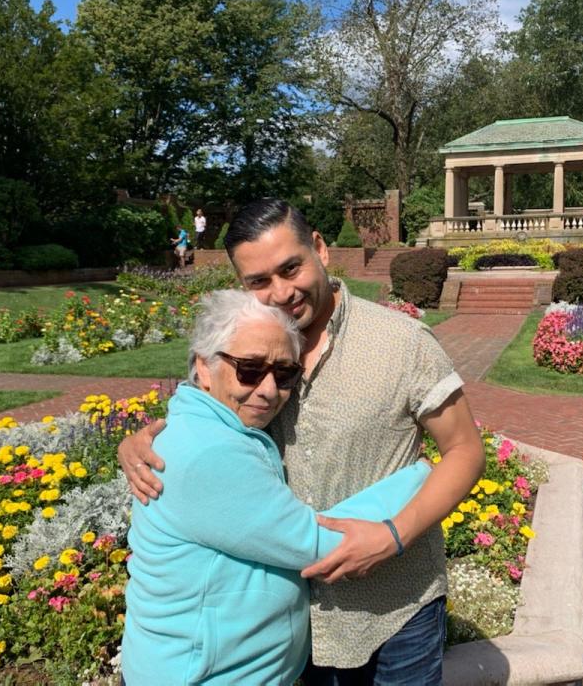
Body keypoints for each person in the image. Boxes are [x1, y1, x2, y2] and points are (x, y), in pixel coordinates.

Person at [120, 199, 484, 684]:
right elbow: (203, 412)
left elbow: (465, 450)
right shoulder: (255, 352)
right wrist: (137, 443)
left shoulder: (403, 342)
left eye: (290, 268)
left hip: (396, 608)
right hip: (298, 624)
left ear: (319, 248)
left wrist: (395, 534)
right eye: (259, 281)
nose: (281, 292)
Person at [121, 290, 431, 684]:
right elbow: (321, 542)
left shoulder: (210, 428)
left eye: (284, 374)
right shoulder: (209, 454)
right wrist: (419, 477)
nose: (269, 390)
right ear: (203, 367)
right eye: (249, 369)